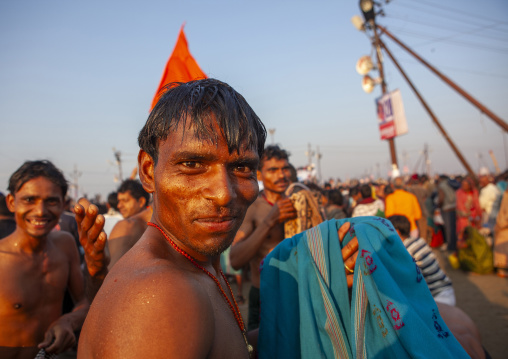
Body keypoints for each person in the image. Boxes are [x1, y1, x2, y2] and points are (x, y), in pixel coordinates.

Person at [75, 79, 359, 358]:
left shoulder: (195, 265)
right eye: (192, 164)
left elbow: (236, 347)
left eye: (242, 167)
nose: (224, 194)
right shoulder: (163, 296)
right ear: (149, 171)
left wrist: (320, 301)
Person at [0, 160, 88, 359]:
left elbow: (84, 300)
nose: (40, 211)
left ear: (63, 204)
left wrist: (69, 321)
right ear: (11, 203)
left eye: (51, 201)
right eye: (29, 199)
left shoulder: (65, 245)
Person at [229, 145, 297, 330]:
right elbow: (234, 260)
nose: (281, 175)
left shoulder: (300, 204)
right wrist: (270, 221)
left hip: (298, 293)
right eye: (273, 170)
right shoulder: (253, 209)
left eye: (285, 169)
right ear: (259, 175)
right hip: (264, 294)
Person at [387, 214, 456, 306]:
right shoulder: (418, 241)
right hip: (446, 290)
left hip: (437, 297)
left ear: (397, 232)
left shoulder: (406, 251)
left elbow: (410, 281)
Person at [455, 177, 481, 241]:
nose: (464, 187)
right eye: (463, 185)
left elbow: (477, 205)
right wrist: (469, 216)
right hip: (463, 218)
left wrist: (477, 217)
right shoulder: (459, 193)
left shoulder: (474, 192)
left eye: (466, 185)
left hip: (474, 218)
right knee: (463, 235)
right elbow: (459, 206)